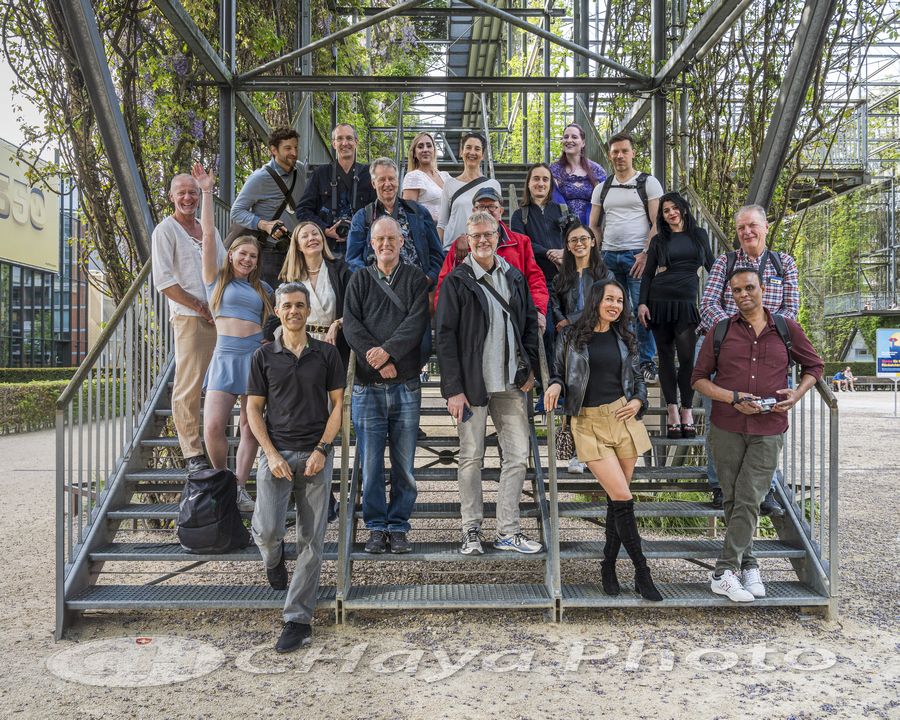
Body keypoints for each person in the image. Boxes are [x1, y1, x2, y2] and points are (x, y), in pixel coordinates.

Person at [692, 267, 823, 602]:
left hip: (769, 428)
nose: (743, 295)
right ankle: (748, 566)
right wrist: (733, 398)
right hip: (727, 427)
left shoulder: (785, 328)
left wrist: (796, 394)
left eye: (749, 287)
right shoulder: (720, 330)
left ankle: (722, 571)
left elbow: (814, 366)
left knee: (750, 496)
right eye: (736, 290)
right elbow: (699, 379)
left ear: (763, 289)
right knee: (734, 498)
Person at [544, 280, 662, 601]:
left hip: (623, 418)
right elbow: (557, 371)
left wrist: (639, 401)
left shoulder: (625, 335)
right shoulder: (569, 336)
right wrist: (555, 385)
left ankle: (608, 565)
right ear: (596, 299)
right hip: (587, 421)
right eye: (610, 298)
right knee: (622, 496)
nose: (615, 305)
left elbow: (637, 378)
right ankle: (642, 572)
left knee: (616, 500)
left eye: (620, 300)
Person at [436, 210, 543, 556]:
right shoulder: (457, 280)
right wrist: (452, 388)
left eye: (488, 234)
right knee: (471, 458)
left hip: (511, 384)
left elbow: (529, 323)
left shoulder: (513, 276)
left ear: (498, 237)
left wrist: (531, 369)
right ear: (467, 240)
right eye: (476, 235)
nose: (482, 240)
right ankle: (471, 530)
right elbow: (445, 337)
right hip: (472, 385)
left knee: (517, 456)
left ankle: (508, 531)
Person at [246, 282, 345, 652]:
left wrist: (323, 449)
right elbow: (253, 410)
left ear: (308, 310)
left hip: (316, 456)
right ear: (279, 309)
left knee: (312, 540)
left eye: (300, 305)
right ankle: (273, 560)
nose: (294, 311)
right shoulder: (263, 356)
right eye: (287, 305)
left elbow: (337, 406)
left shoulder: (326, 354)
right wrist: (270, 454)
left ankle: (297, 619)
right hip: (276, 454)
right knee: (269, 531)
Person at [698, 203, 800, 515]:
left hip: (768, 352)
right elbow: (708, 304)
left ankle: (764, 488)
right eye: (742, 227)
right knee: (721, 415)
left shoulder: (783, 264)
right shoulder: (725, 263)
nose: (747, 232)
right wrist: (735, 332)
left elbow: (790, 309)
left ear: (766, 227)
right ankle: (720, 485)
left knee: (768, 418)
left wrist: (761, 331)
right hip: (726, 350)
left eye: (753, 226)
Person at [342, 217, 429, 554]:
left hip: (405, 384)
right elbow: (352, 324)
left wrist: (389, 354)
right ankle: (376, 526)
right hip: (368, 387)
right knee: (371, 463)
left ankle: (399, 526)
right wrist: (373, 357)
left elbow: (416, 322)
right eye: (379, 239)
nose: (385, 244)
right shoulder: (360, 279)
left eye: (391, 238)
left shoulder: (414, 280)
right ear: (372, 244)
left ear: (401, 242)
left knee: (405, 465)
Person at [196, 163, 273, 512]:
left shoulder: (263, 288)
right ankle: (222, 478)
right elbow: (209, 236)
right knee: (212, 425)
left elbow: (282, 319)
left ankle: (240, 487)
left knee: (249, 426)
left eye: (253, 256)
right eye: (242, 253)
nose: (247, 258)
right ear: (232, 255)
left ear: (257, 262)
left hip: (254, 356)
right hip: (225, 356)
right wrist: (207, 193)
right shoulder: (216, 280)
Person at [151, 172, 224, 475]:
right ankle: (193, 452)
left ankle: (217, 446)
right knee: (189, 386)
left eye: (193, 193)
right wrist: (199, 305)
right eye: (181, 193)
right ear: (171, 197)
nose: (188, 198)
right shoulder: (165, 231)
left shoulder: (208, 230)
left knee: (220, 386)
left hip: (218, 316)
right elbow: (164, 281)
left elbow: (222, 267)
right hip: (190, 317)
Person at [637, 192, 714, 439]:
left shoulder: (699, 235)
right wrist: (641, 304)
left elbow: (713, 266)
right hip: (660, 300)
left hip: (686, 303)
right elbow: (648, 275)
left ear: (683, 209)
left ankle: (687, 409)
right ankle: (672, 410)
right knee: (666, 358)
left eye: (674, 208)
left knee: (688, 358)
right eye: (665, 210)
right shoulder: (659, 240)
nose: (671, 213)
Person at [588, 132, 664, 383]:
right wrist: (596, 254)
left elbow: (657, 223)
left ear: (632, 153)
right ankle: (623, 360)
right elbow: (594, 225)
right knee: (613, 311)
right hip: (609, 255)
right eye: (615, 152)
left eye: (624, 151)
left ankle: (646, 362)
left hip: (637, 257)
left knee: (642, 310)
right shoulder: (603, 187)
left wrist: (645, 253)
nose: (619, 156)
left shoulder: (648, 183)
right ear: (610, 156)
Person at [436, 186, 549, 332]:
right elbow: (444, 284)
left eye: (491, 206)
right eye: (481, 206)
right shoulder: (462, 245)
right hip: (472, 323)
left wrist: (538, 310)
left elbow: (535, 279)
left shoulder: (521, 242)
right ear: (473, 211)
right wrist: (446, 320)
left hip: (514, 319)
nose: (486, 211)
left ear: (501, 211)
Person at [548, 221, 613, 474]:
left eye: (583, 239)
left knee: (598, 395)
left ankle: (599, 450)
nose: (579, 244)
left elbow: (612, 301)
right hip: (572, 341)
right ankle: (577, 451)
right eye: (573, 240)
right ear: (567, 245)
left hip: (599, 337)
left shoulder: (604, 274)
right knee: (576, 393)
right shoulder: (560, 277)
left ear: (593, 241)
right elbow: (554, 303)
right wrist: (562, 320)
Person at [345, 157, 444, 286]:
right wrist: (370, 283)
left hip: (416, 289)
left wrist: (429, 278)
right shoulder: (363, 217)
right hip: (378, 291)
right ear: (373, 183)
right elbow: (353, 259)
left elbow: (436, 252)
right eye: (382, 179)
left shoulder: (418, 212)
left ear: (398, 181)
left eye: (391, 178)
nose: (387, 184)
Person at [228, 127, 306, 286]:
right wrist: (264, 225)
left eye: (296, 147)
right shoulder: (260, 178)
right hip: (271, 253)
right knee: (271, 304)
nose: (294, 152)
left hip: (297, 252)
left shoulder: (301, 169)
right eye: (288, 148)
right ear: (274, 150)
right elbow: (236, 212)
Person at [278, 221, 351, 371]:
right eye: (305, 236)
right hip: (298, 345)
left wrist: (337, 323)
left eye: (315, 233)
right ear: (298, 246)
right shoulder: (290, 278)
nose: (312, 238)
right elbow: (277, 314)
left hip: (334, 344)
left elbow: (356, 307)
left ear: (322, 239)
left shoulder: (341, 271)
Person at [295, 123, 376, 254]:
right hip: (327, 249)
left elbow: (379, 210)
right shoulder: (320, 174)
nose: (345, 143)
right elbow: (302, 211)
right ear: (333, 144)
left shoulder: (368, 174)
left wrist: (361, 230)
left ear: (356, 142)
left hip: (361, 250)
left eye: (349, 138)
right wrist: (325, 229)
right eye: (340, 139)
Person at [437, 132, 501, 252]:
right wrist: (438, 252)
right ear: (461, 152)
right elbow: (442, 223)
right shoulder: (450, 184)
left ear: (482, 155)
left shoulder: (493, 184)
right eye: (468, 147)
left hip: (482, 248)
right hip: (452, 249)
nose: (472, 152)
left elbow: (496, 221)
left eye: (477, 149)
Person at [510, 162, 572, 286]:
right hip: (536, 280)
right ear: (528, 183)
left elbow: (576, 237)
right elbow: (522, 243)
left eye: (545, 179)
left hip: (566, 277)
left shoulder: (564, 210)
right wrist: (548, 253)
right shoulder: (519, 215)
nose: (541, 183)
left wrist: (565, 251)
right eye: (536, 179)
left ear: (550, 184)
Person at [550, 123, 606, 226]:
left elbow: (604, 200)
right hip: (561, 227)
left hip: (591, 226)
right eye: (566, 137)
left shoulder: (597, 171)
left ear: (583, 143)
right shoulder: (553, 170)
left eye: (574, 137)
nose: (569, 140)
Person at [401, 131, 451, 222]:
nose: (425, 150)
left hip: (451, 232)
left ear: (434, 150)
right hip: (429, 232)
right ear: (415, 154)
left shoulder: (446, 176)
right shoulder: (413, 176)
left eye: (429, 146)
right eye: (420, 147)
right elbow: (409, 215)